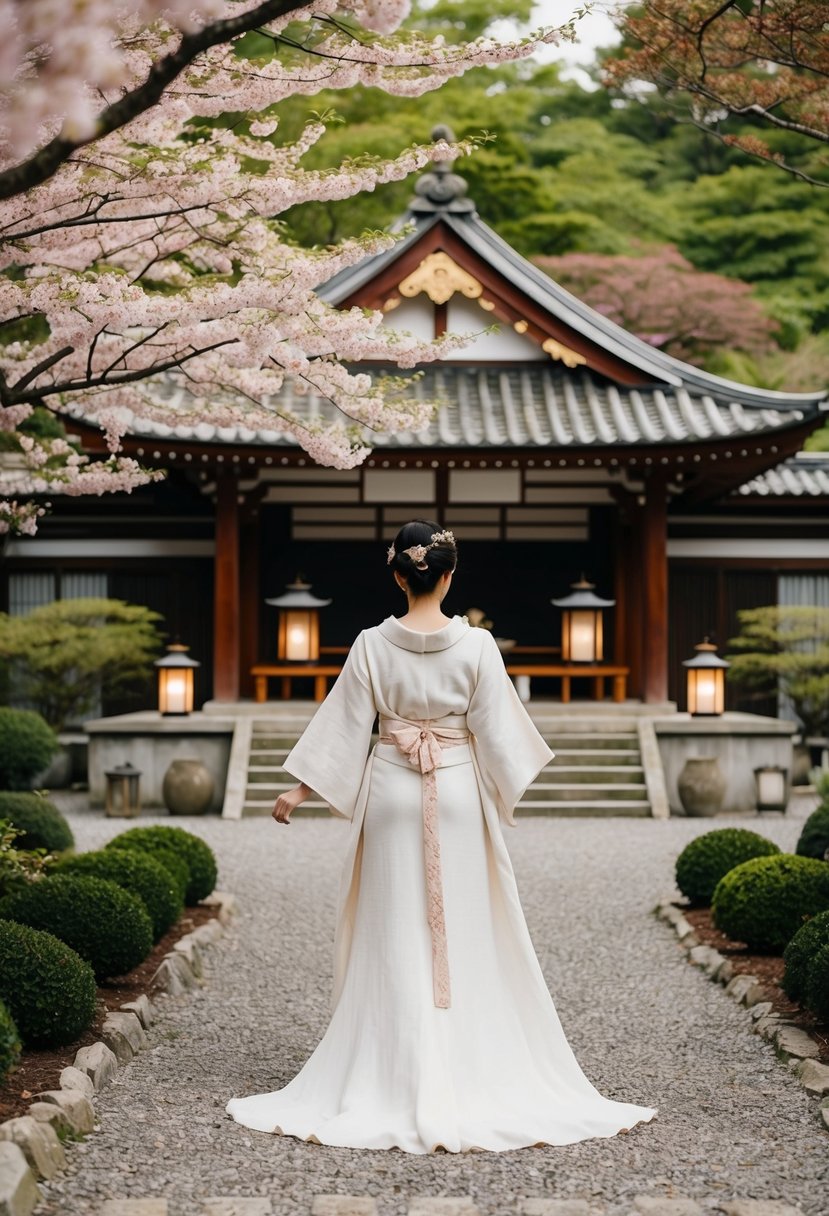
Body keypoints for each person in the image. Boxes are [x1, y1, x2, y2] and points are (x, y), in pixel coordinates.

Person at [225, 519, 658, 1153]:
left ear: (398, 575)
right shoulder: (478, 645)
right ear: (449, 575)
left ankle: (391, 1062)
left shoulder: (371, 643)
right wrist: (506, 779)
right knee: (467, 923)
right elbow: (499, 731)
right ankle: (468, 1054)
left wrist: (300, 790)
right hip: (456, 789)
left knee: (395, 924)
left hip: (392, 790)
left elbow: (345, 725)